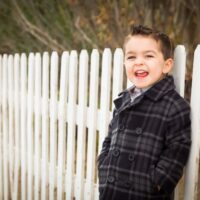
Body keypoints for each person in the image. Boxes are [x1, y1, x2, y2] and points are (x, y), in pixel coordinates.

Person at [97, 25, 191, 200]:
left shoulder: (174, 106)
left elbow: (176, 152)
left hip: (144, 193)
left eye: (148, 56)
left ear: (166, 65)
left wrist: (156, 182)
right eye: (131, 57)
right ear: (124, 63)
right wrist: (103, 165)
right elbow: (110, 139)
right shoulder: (124, 99)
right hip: (111, 190)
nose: (138, 62)